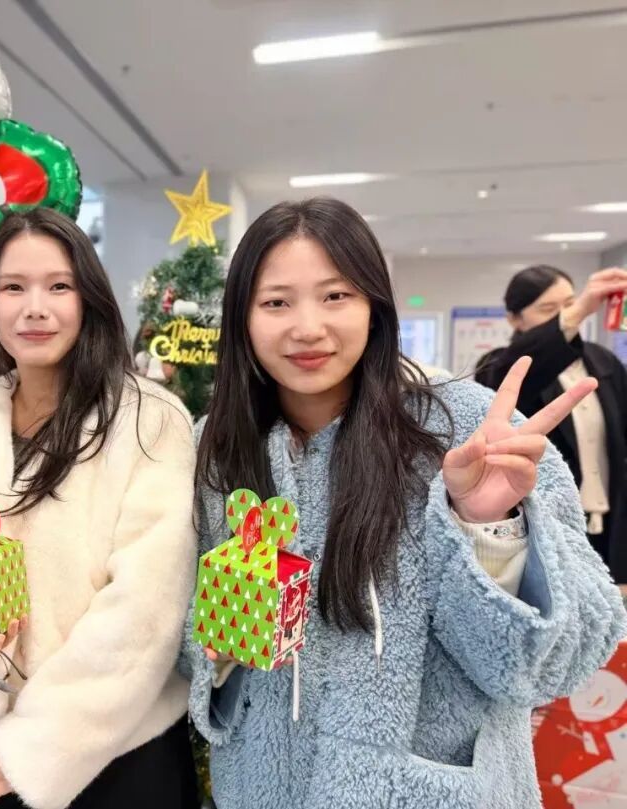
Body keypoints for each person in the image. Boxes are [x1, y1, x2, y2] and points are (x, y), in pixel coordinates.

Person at [184, 198, 626, 808]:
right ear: (242, 318)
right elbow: (188, 635)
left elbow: (564, 658)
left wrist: (487, 527)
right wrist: (222, 654)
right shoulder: (216, 449)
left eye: (335, 296)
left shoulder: (467, 428)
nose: (307, 327)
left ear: (375, 305)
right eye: (276, 302)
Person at [0, 208, 199, 809]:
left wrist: (32, 748)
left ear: (88, 298)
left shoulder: (150, 419)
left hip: (120, 751)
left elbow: (145, 609)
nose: (34, 308)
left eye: (59, 286)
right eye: (13, 288)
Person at [475, 264, 627, 582]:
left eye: (570, 303)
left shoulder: (603, 361)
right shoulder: (500, 366)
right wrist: (577, 311)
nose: (566, 314)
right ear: (514, 319)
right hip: (545, 520)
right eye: (548, 309)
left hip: (611, 519)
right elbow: (511, 375)